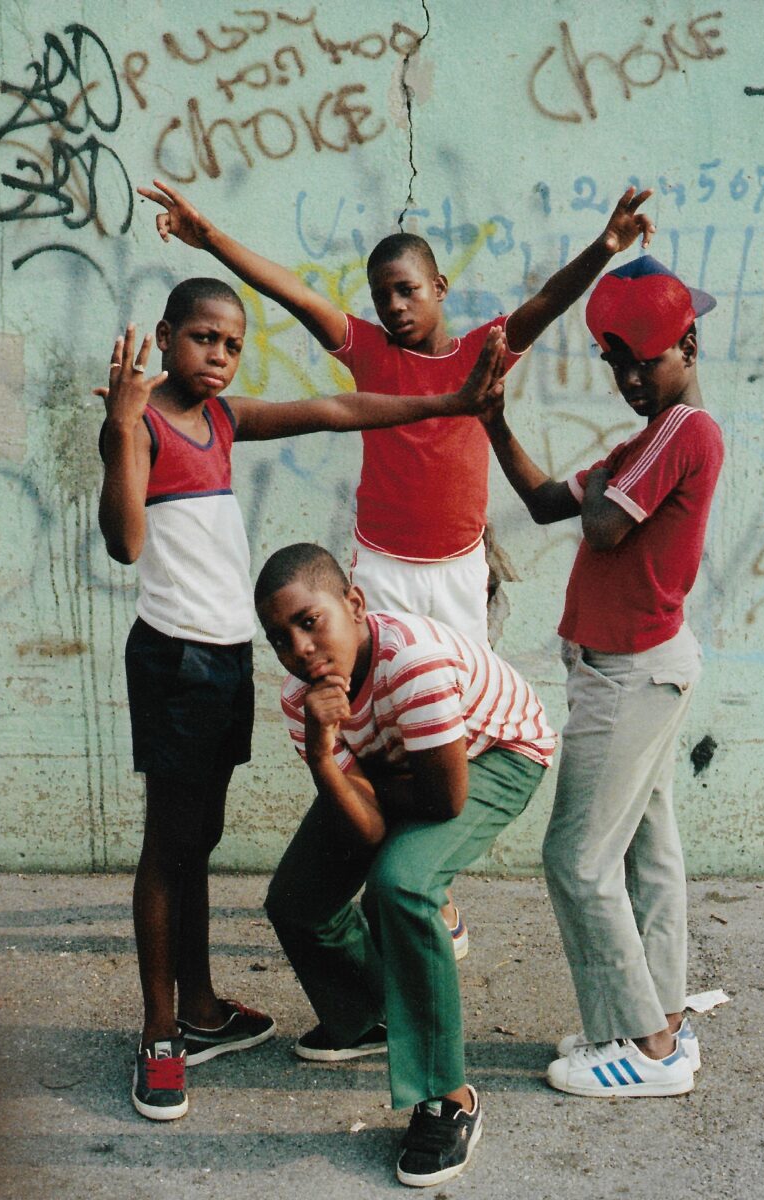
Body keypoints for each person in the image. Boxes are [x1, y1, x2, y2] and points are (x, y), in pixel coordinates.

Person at [137, 177, 654, 946]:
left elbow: (547, 300)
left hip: (455, 571)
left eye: (407, 291)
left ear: (439, 287)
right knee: (377, 729)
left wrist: (604, 249)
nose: (395, 308)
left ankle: (430, 881)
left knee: (452, 734)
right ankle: (382, 874)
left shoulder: (484, 351)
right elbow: (287, 291)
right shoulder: (371, 351)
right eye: (382, 297)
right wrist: (209, 238)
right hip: (380, 572)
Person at [96, 278, 508, 1121]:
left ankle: (204, 1008)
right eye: (203, 338)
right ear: (167, 336)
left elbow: (334, 408)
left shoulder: (219, 420)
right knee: (167, 845)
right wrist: (119, 430)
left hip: (221, 662)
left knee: (197, 838)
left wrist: (449, 402)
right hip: (174, 661)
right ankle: (160, 1034)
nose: (219, 355)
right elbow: (126, 540)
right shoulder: (140, 424)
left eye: (233, 345)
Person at [479, 254, 724, 1097]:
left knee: (577, 860)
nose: (627, 379)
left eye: (643, 361)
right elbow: (553, 502)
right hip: (630, 673)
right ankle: (657, 1023)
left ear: (688, 344)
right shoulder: (647, 437)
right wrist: (491, 420)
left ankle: (646, 1049)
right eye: (614, 362)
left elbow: (604, 527)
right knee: (645, 852)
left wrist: (614, 476)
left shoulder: (683, 432)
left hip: (630, 676)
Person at [254, 543, 556, 1186]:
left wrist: (368, 782)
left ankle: (448, 1096)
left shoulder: (410, 661)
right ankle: (370, 1014)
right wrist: (320, 753)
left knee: (401, 886)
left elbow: (445, 799)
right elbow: (363, 828)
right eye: (282, 639)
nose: (301, 649)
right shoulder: (301, 700)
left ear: (354, 605)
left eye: (310, 621)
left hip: (495, 753)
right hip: (408, 767)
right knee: (298, 901)